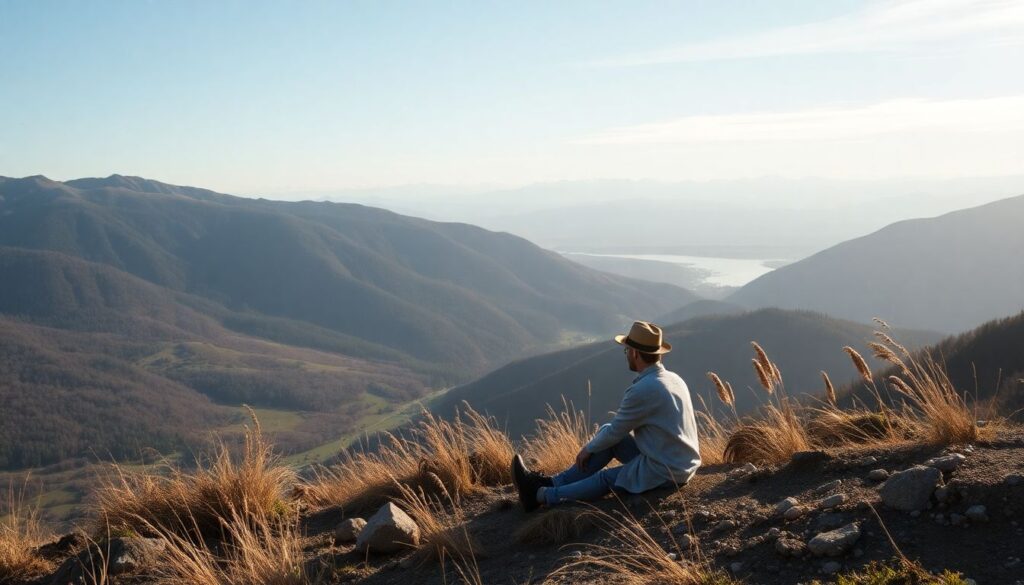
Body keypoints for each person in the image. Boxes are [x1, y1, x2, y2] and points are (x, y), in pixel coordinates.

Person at [511, 320, 701, 512]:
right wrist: (594, 445)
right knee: (606, 436)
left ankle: (539, 496)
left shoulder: (644, 389)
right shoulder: (674, 379)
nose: (626, 354)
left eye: (626, 350)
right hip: (679, 460)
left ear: (635, 353)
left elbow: (616, 431)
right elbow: (612, 434)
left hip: (666, 470)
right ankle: (550, 483)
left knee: (605, 477)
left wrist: (587, 449)